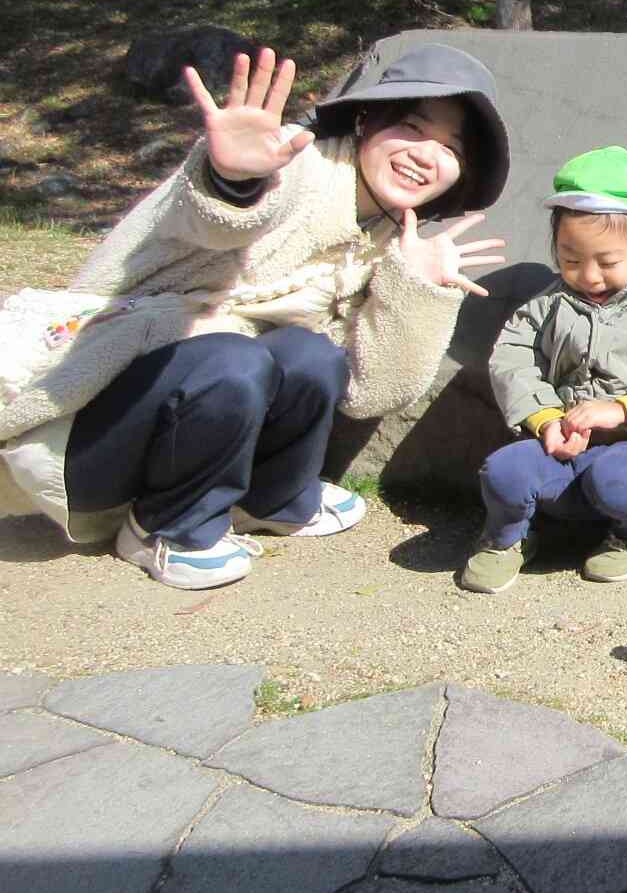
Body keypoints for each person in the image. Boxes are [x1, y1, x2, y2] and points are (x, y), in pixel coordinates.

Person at [0, 44, 507, 589]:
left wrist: (416, 289)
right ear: (365, 119)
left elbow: (371, 393)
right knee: (232, 357)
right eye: (411, 126)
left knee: (309, 355)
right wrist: (232, 181)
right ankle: (163, 527)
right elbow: (221, 221)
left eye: (452, 147)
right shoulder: (296, 167)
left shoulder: (387, 238)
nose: (427, 155)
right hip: (80, 439)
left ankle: (270, 499)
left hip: (183, 433)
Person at [461, 147, 627, 593]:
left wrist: (621, 410)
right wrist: (543, 418)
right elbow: (513, 357)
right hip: (560, 443)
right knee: (504, 472)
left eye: (608, 262)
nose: (589, 276)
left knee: (623, 480)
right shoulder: (548, 303)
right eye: (571, 260)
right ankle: (507, 538)